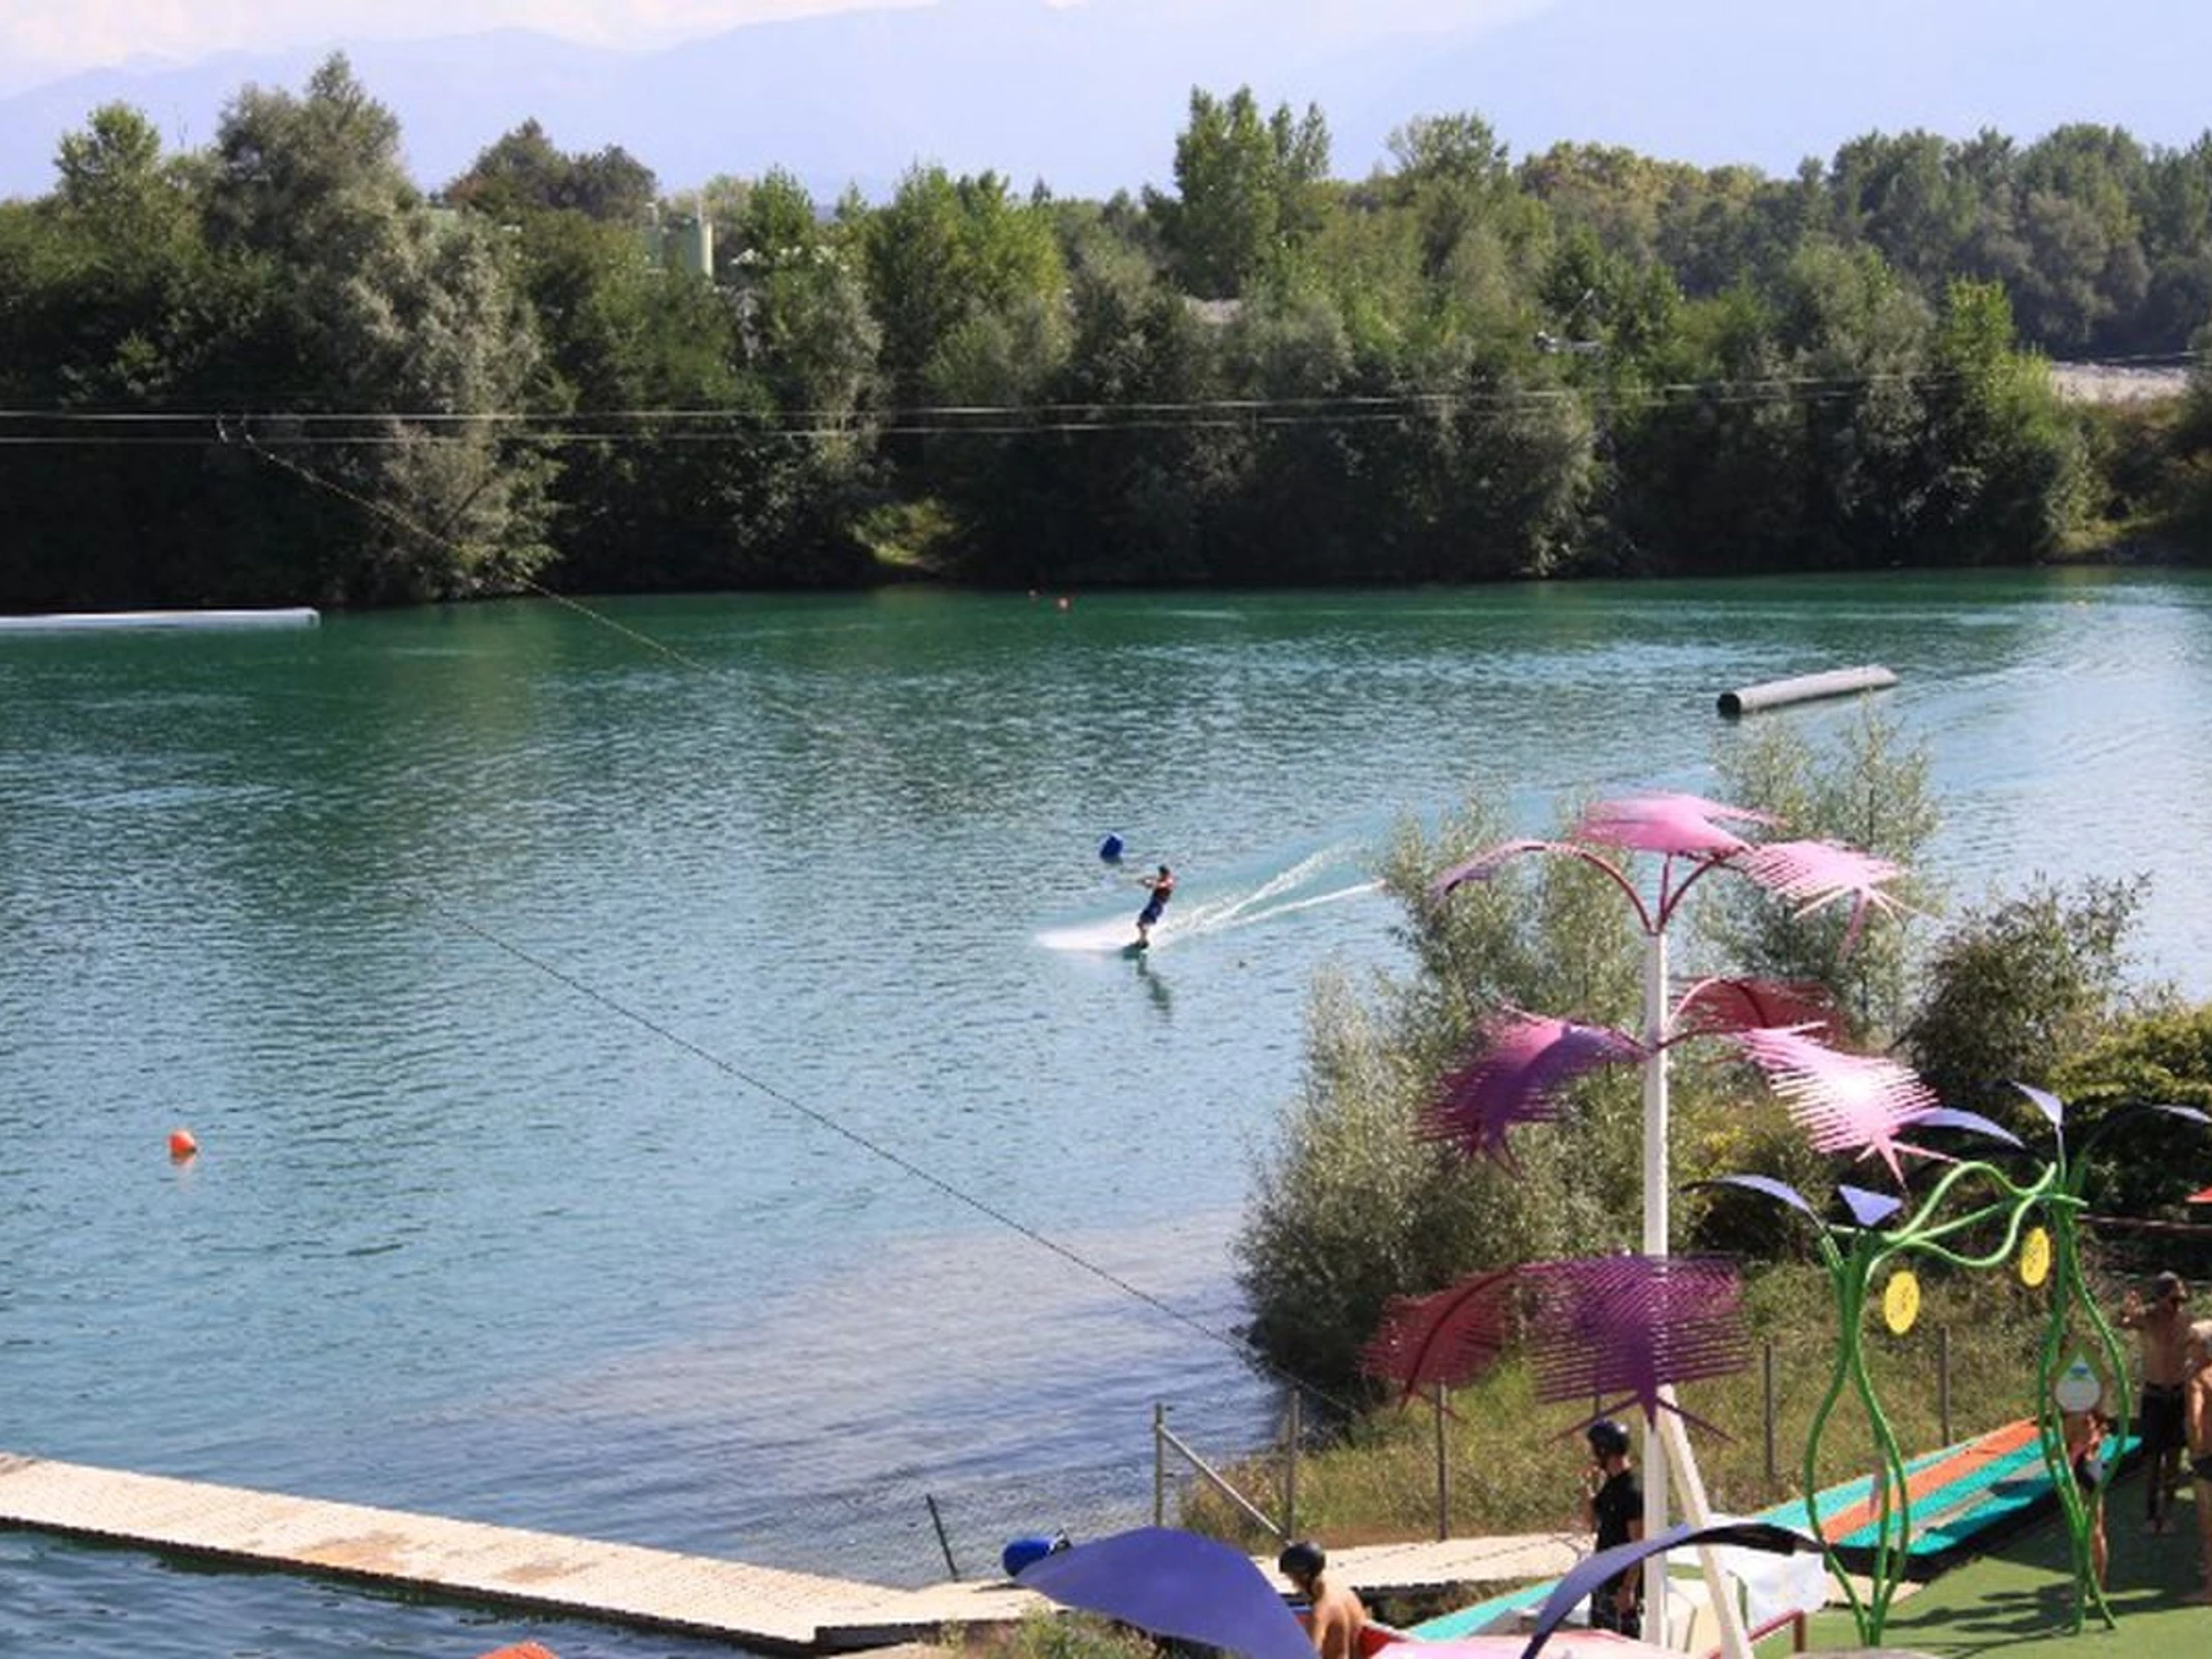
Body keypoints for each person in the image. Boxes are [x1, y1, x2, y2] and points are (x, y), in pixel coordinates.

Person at [2119, 1269, 2193, 1532]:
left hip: (2178, 1396)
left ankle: (2167, 1513)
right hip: (2154, 1397)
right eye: (2174, 1298)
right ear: (2161, 1298)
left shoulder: (2187, 1320)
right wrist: (2125, 1310)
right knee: (2152, 1461)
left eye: (2182, 1298)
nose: (2179, 1302)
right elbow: (2123, 1322)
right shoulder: (2148, 1318)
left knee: (2173, 1460)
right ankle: (2150, 1515)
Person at [1583, 1418, 1643, 1638]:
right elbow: (1591, 1523)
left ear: (1604, 1450)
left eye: (1594, 1450)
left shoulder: (1632, 1491)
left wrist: (1628, 1588)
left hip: (1620, 1586)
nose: (1592, 1456)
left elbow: (1639, 1544)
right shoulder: (1610, 1484)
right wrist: (1587, 1489)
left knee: (1621, 1645)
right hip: (1603, 1578)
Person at [1277, 1538, 1366, 1659]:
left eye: (1292, 1579)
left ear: (1305, 1576)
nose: (1294, 1586)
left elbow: (1306, 1656)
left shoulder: (1320, 1613)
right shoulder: (1344, 1592)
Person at [2062, 1397, 2111, 1590]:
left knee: (2093, 1533)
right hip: (2082, 1470)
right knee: (2087, 1533)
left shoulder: (2086, 1425)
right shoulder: (2073, 1423)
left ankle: (2096, 1582)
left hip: (2088, 1472)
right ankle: (2090, 1580)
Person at [2185, 1322, 2212, 1604]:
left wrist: (2196, 1450)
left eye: (2191, 1343)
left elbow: (2194, 1419)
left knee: (2208, 1527)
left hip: (2208, 1456)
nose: (2187, 1348)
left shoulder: (2199, 1379)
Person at [1135, 864, 1175, 947]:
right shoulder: (1161, 878)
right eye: (1161, 872)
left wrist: (1152, 885)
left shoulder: (1169, 881)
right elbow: (1148, 880)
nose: (1161, 874)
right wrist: (1143, 881)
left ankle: (1144, 940)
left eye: (1163, 873)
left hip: (1157, 905)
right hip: (1153, 903)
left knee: (1145, 922)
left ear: (1167, 873)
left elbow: (1162, 885)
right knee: (1140, 922)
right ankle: (1142, 939)